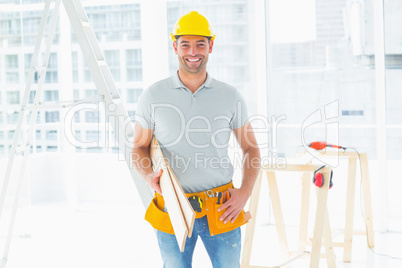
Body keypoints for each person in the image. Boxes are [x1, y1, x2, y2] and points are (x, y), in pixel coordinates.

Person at [132, 11, 260, 268]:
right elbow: (138, 147)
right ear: (175, 46)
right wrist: (148, 176)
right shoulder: (153, 96)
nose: (193, 51)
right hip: (171, 206)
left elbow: (250, 148)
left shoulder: (229, 95)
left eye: (200, 44)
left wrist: (245, 193)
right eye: (186, 44)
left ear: (211, 46)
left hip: (222, 207)